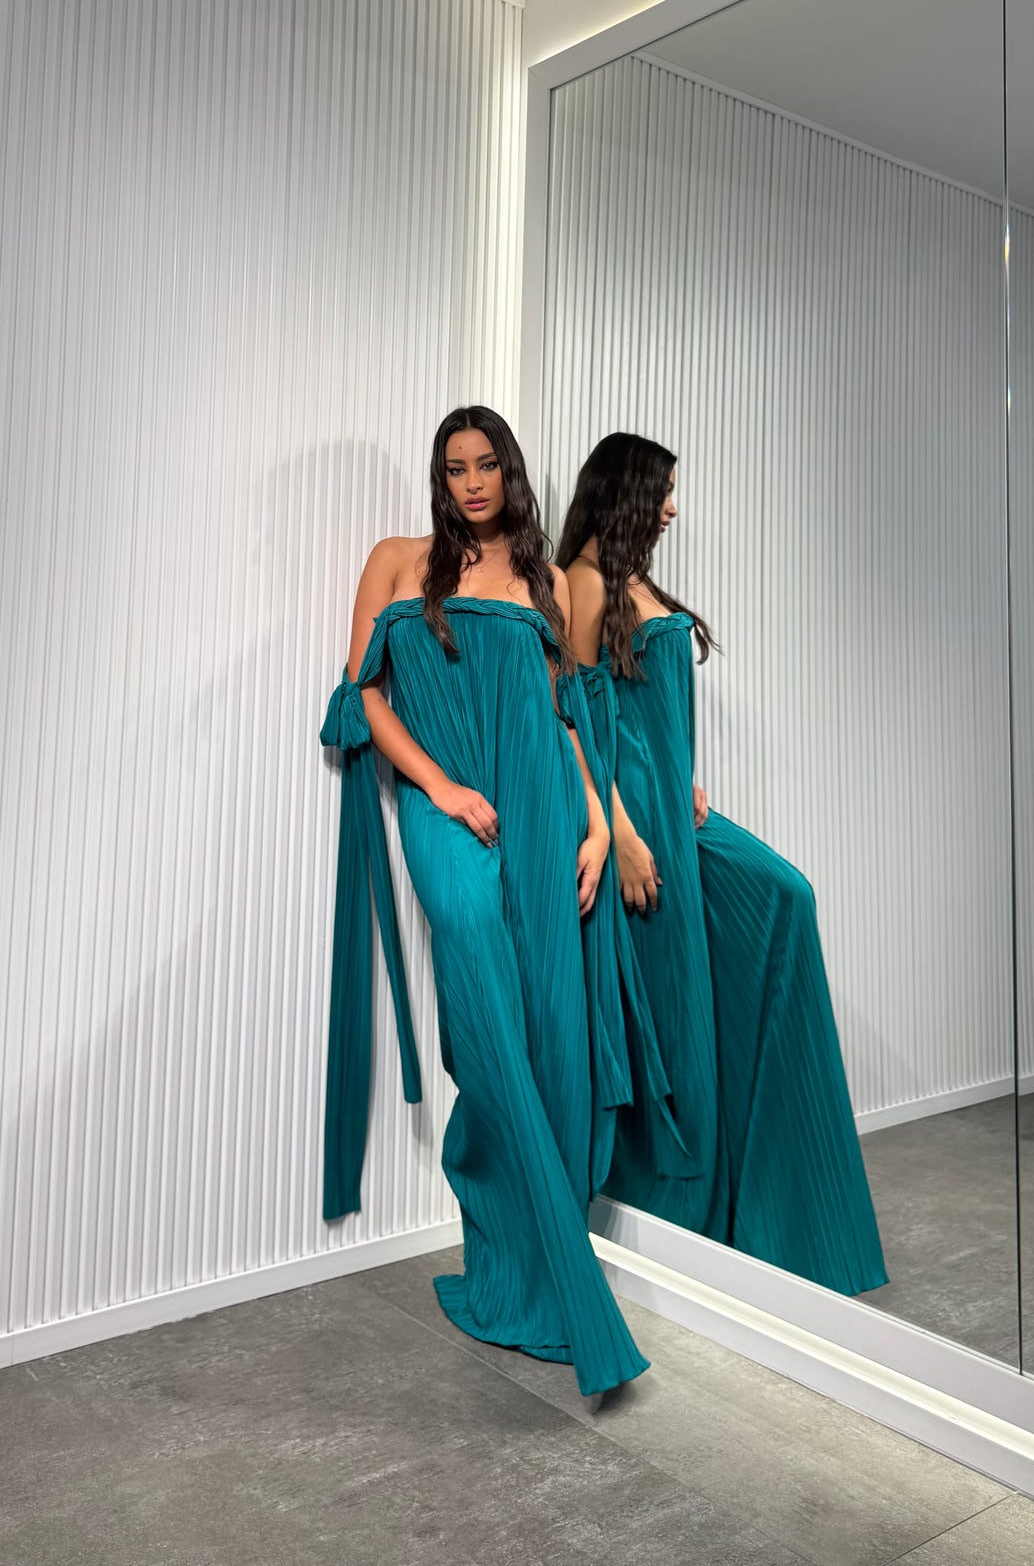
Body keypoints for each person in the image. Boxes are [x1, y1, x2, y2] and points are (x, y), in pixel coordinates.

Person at [320, 405, 649, 1394]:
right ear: (440, 477)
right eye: (455, 467)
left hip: (544, 809)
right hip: (447, 804)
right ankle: (555, 1264)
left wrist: (598, 824)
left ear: (511, 471)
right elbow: (363, 694)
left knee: (548, 1028)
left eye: (487, 464)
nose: (471, 482)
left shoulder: (545, 580)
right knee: (482, 987)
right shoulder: (397, 561)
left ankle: (530, 1258)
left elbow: (565, 715)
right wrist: (440, 787)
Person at [559, 431, 887, 1296]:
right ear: (625, 492)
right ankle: (680, 1230)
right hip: (636, 823)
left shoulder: (636, 580)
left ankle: (786, 1211)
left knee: (785, 898)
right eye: (662, 492)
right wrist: (622, 832)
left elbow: (643, 704)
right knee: (679, 1018)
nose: (673, 508)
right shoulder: (585, 582)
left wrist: (683, 775)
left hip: (674, 805)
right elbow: (576, 717)